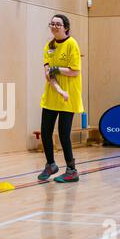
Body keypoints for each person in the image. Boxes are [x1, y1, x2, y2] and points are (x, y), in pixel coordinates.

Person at [38, 14, 84, 183]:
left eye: (58, 24)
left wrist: (58, 69)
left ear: (66, 27)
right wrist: (58, 89)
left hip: (69, 97)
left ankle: (72, 170)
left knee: (64, 134)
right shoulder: (48, 46)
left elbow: (74, 71)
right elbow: (48, 74)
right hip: (52, 96)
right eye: (52, 24)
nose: (55, 26)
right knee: (45, 132)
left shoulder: (72, 44)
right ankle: (50, 164)